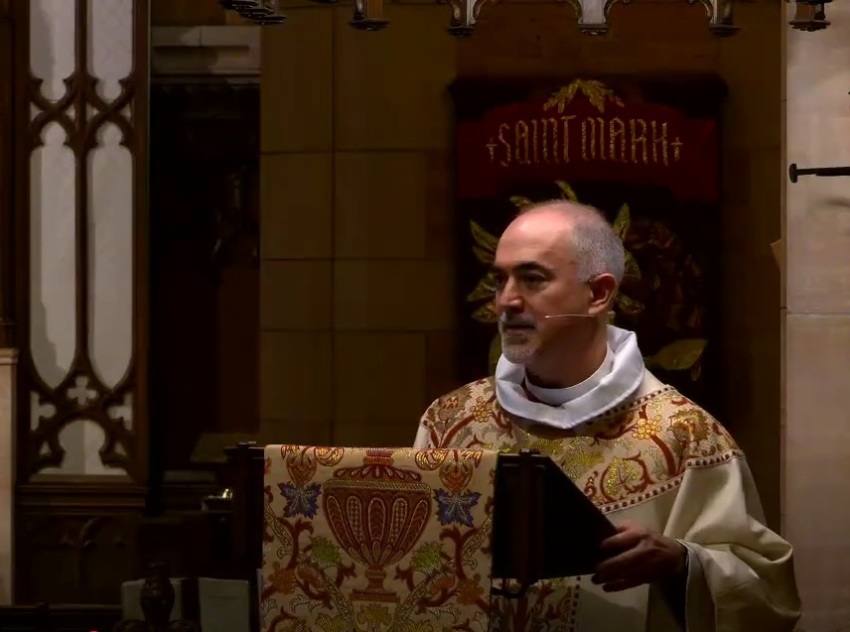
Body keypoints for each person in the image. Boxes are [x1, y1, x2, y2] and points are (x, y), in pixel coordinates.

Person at [414, 201, 801, 631]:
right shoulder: (451, 422)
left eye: (532, 278)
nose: (505, 301)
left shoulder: (684, 435)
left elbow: (769, 598)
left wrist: (682, 563)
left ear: (598, 294)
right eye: (500, 278)